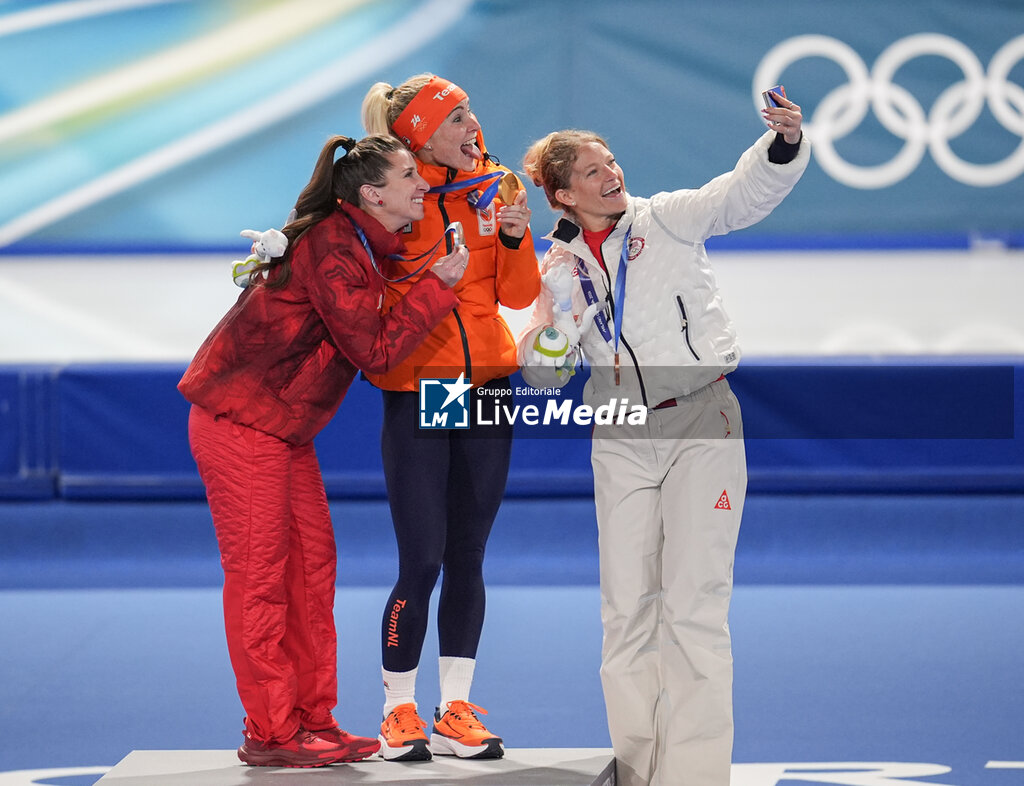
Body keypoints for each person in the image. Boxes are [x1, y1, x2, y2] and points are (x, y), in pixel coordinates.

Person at [516, 92, 809, 786]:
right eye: (591, 171)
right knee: (625, 615)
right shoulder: (556, 268)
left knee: (693, 608)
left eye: (610, 161)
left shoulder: (668, 219)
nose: (610, 174)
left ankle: (696, 777)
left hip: (701, 418)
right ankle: (638, 768)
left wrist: (784, 143)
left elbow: (738, 196)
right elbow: (543, 376)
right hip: (618, 438)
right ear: (561, 194)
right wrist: (557, 325)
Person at [178, 133, 469, 768]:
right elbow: (378, 351)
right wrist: (440, 285)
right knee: (262, 581)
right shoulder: (335, 247)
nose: (422, 184)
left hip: (281, 429)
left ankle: (313, 720)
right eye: (407, 176)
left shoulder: (357, 241)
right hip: (240, 423)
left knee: (312, 572)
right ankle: (272, 732)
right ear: (372, 193)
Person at [360, 73, 540, 761]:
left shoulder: (498, 187)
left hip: (489, 383)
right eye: (456, 116)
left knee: (469, 555)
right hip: (423, 383)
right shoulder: (394, 193)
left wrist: (519, 241)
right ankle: (396, 711)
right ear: (419, 132)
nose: (473, 125)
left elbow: (517, 295)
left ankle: (455, 709)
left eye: (472, 112)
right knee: (423, 558)